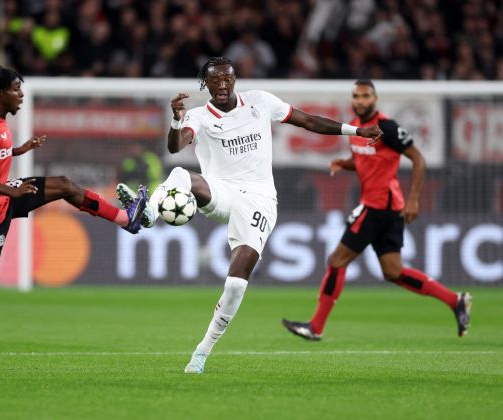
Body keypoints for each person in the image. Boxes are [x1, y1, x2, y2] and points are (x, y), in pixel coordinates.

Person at [116, 57, 382, 374]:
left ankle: (201, 353)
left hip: (259, 201)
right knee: (180, 173)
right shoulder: (199, 117)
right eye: (216, 80)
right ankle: (146, 214)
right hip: (222, 192)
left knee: (235, 285)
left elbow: (308, 121)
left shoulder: (260, 101)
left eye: (228, 78)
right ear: (206, 84)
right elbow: (176, 146)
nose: (223, 85)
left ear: (235, 79)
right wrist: (176, 120)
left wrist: (356, 130)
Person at [0, 67, 148, 377]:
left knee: (64, 185)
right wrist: (11, 189)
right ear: (1, 92)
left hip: (3, 197)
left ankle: (127, 219)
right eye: (17, 89)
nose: (22, 95)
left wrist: (19, 150)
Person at [282, 79, 471, 341]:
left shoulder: (387, 127)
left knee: (336, 261)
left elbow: (418, 158)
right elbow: (367, 161)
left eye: (366, 96)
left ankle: (316, 327)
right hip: (386, 208)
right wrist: (344, 164)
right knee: (393, 272)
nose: (360, 101)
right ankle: (455, 300)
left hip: (378, 206)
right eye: (356, 96)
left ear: (375, 98)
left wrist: (414, 198)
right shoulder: (357, 128)